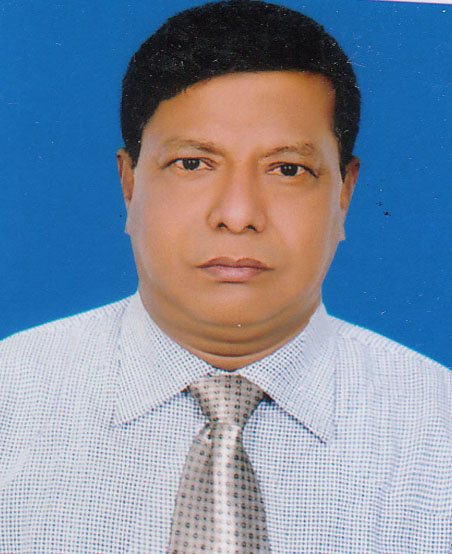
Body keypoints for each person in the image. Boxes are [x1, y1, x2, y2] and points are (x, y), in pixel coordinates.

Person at [1, 1, 451, 552]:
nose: (237, 215)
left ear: (344, 195)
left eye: (288, 169)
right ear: (129, 184)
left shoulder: (438, 433)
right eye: (192, 164)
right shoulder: (10, 402)